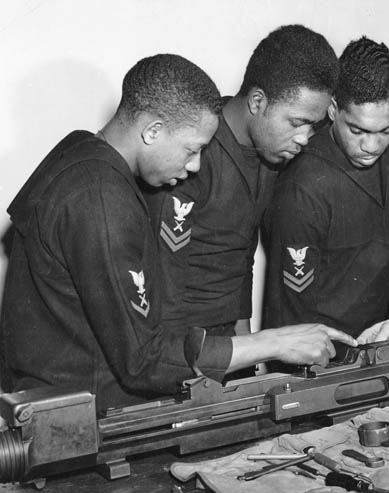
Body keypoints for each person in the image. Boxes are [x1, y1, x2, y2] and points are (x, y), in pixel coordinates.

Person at [0, 53, 355, 412]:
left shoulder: (79, 153)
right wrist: (274, 343)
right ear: (152, 131)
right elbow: (144, 360)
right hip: (82, 417)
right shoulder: (102, 198)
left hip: (52, 398)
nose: (195, 165)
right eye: (192, 149)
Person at [143, 25, 340, 356]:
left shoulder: (271, 155)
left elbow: (242, 257)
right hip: (179, 347)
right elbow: (164, 284)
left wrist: (246, 346)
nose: (305, 138)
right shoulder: (191, 155)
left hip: (230, 344)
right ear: (258, 101)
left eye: (313, 126)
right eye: (296, 122)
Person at [262, 37, 389, 349]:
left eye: (386, 130)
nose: (371, 146)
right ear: (333, 109)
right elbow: (290, 312)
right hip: (329, 359)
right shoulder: (303, 183)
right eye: (357, 131)